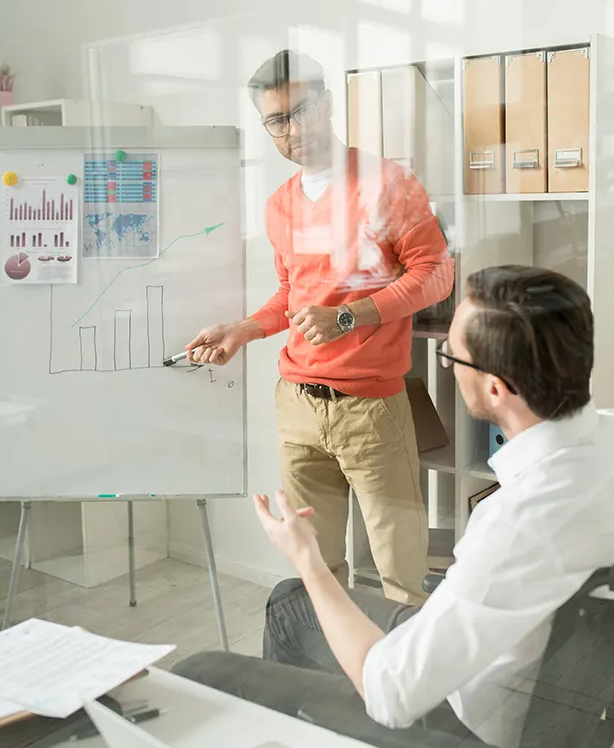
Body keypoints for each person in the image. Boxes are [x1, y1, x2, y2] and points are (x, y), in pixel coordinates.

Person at [174, 265, 614, 748]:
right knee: (291, 601)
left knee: (209, 668)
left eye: (452, 355)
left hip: (467, 731)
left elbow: (392, 694)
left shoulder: (514, 523)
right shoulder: (604, 440)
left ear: (495, 388)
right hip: (523, 674)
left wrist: (309, 560)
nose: (446, 366)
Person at [186, 50, 453, 605]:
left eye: (301, 110)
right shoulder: (279, 205)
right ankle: (335, 676)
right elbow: (293, 294)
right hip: (297, 405)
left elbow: (436, 275)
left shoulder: (388, 183)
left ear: (327, 105)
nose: (292, 130)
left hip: (372, 409)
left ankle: (403, 690)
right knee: (319, 568)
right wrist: (244, 329)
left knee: (401, 574)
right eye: (276, 120)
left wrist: (351, 316)